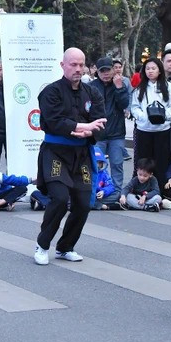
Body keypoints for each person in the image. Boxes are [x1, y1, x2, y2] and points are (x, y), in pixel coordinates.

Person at [34, 48, 106, 266]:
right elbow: (54, 121)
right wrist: (81, 126)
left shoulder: (92, 93)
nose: (77, 69)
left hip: (81, 153)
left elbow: (101, 122)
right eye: (73, 64)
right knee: (59, 197)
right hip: (56, 151)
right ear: (62, 65)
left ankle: (65, 246)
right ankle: (43, 244)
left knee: (83, 203)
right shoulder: (51, 92)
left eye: (81, 64)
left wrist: (90, 132)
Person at [129, 57, 171, 200]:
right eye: (148, 69)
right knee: (143, 161)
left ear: (159, 70)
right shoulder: (140, 89)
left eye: (153, 68)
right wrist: (144, 116)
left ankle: (164, 191)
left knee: (162, 161)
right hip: (145, 130)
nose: (150, 71)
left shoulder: (169, 87)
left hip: (163, 130)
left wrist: (164, 116)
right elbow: (135, 108)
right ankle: (141, 190)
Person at [90, 57, 128, 192]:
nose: (106, 73)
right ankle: (94, 190)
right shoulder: (91, 86)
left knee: (117, 164)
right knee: (95, 164)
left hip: (116, 132)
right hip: (98, 133)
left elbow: (124, 104)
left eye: (108, 70)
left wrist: (119, 88)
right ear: (97, 72)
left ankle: (117, 193)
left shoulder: (120, 84)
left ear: (113, 70)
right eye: (102, 71)